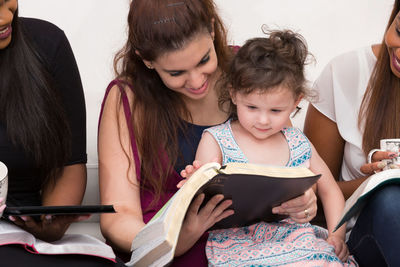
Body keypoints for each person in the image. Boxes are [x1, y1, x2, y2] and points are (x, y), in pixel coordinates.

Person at [97, 0, 319, 265]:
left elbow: (288, 162)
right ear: (146, 60)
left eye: (204, 60)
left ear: (212, 31)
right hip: (172, 248)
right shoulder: (128, 98)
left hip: (257, 243)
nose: (197, 81)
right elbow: (117, 215)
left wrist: (303, 199)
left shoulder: (249, 71)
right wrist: (169, 242)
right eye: (176, 72)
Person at [180, 31, 357, 266]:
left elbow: (330, 191)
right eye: (252, 107)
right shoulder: (217, 139)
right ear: (233, 93)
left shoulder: (297, 141)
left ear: (296, 102)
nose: (263, 121)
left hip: (297, 242)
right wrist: (195, 181)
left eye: (276, 111)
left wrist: (336, 235)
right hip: (238, 247)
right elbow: (201, 192)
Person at [0, 1, 125, 266]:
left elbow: (70, 162)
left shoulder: (48, 44)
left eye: (4, 2)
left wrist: (52, 224)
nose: (4, 18)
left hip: (24, 235)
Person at [303, 1, 400, 266]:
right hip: (368, 231)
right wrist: (379, 180)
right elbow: (314, 195)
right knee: (392, 200)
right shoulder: (345, 72)